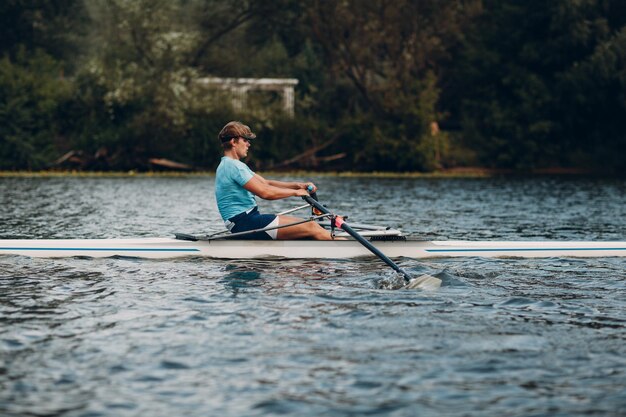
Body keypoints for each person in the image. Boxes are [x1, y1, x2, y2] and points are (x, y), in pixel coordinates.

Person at [215, 121, 334, 240]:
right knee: (312, 227)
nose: (248, 144)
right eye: (245, 140)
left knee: (311, 228)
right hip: (246, 223)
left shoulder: (229, 164)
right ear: (233, 142)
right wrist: (295, 193)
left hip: (245, 222)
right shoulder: (234, 166)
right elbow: (265, 193)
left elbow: (266, 183)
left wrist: (298, 186)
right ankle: (345, 249)